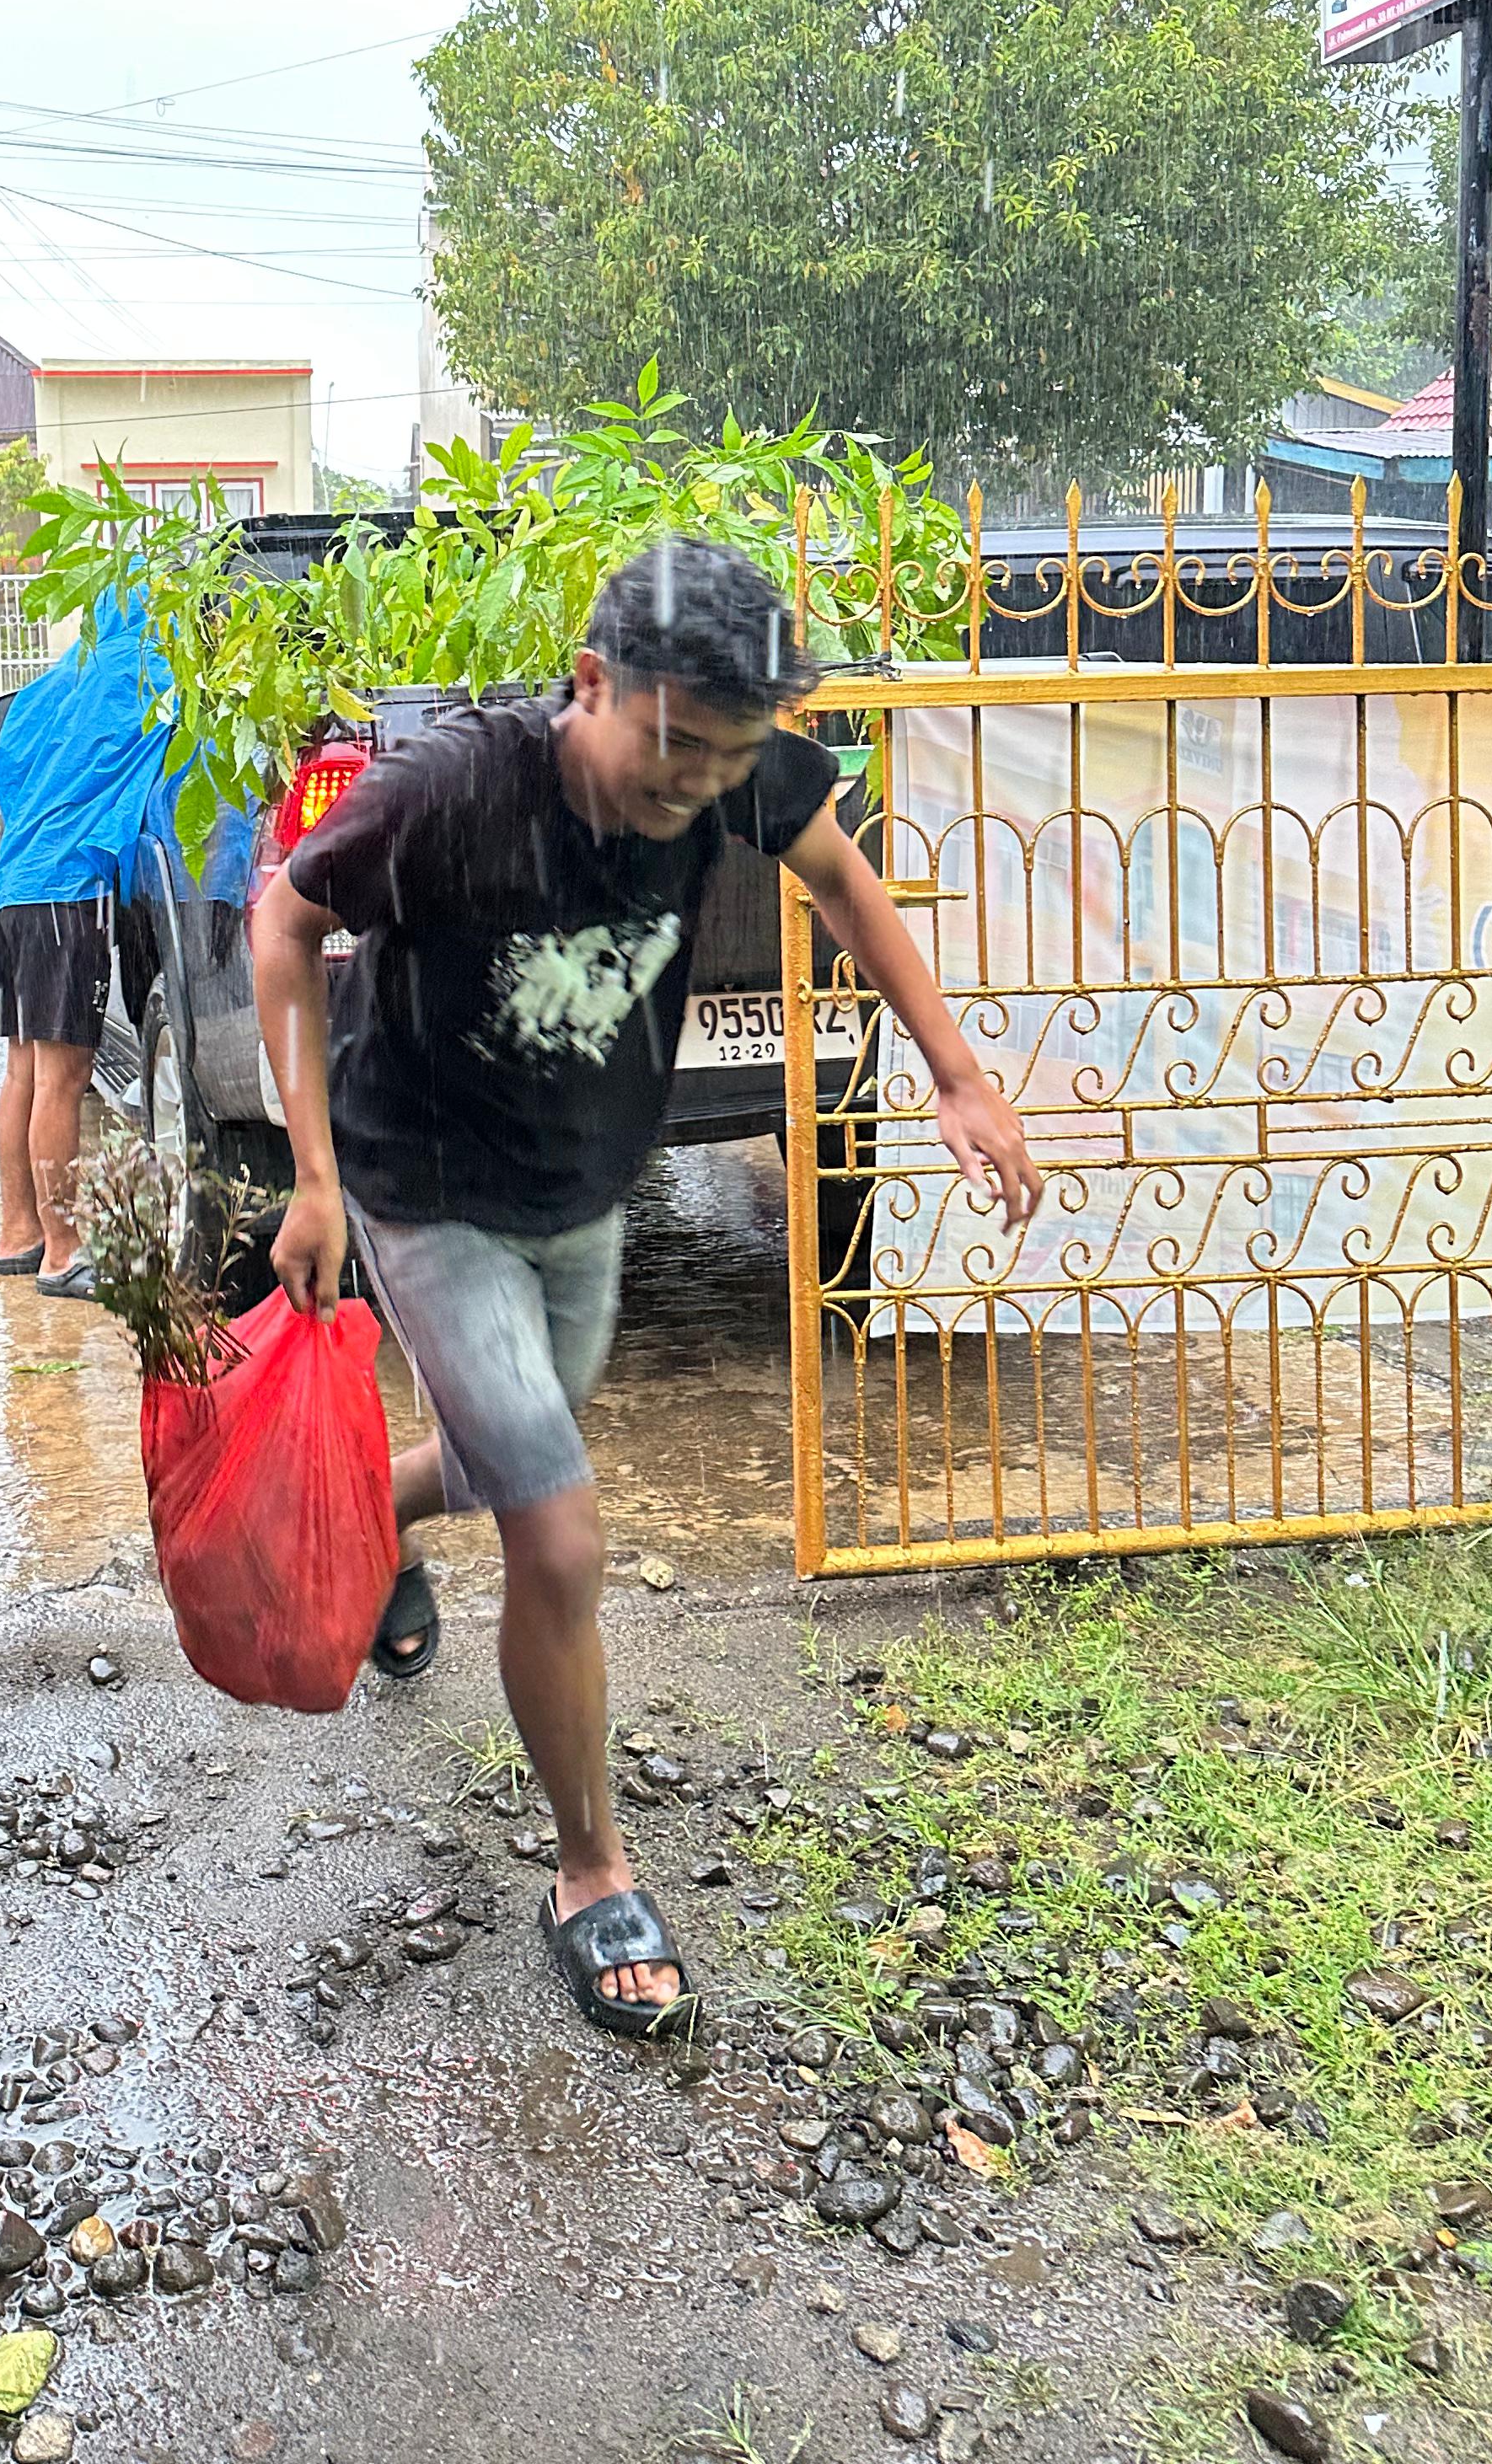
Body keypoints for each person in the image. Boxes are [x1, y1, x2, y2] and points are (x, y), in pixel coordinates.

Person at [250, 538, 1041, 2041]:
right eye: (673, 745)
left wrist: (954, 1074)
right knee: (556, 1532)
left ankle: (367, 1518)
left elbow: (842, 881)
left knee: (507, 1456)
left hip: (584, 1184)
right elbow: (282, 921)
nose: (697, 784)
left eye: (727, 756)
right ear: (592, 684)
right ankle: (589, 1868)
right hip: (427, 1187)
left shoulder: (730, 761)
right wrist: (312, 1174)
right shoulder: (452, 793)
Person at [0, 600, 173, 1298]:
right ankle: (64, 1253)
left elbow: (10, 767)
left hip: (14, 889)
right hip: (68, 892)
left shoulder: (57, 684)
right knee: (64, 1079)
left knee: (24, 1072)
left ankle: (19, 1235)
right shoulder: (150, 672)